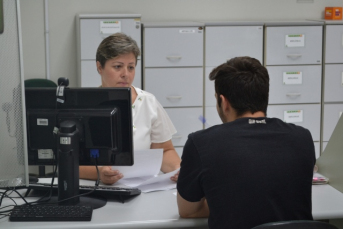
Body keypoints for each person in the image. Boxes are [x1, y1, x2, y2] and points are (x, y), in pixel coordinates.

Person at [176, 56, 316, 229]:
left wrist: (224, 201)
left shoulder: (200, 143)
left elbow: (188, 211)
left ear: (224, 102)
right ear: (264, 97)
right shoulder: (302, 138)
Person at [79, 33, 181, 184]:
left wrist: (179, 169)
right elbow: (68, 162)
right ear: (99, 67)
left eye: (131, 67)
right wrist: (99, 173)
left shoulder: (148, 102)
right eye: (118, 66)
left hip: (141, 186)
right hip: (96, 188)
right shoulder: (84, 105)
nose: (126, 74)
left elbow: (165, 151)